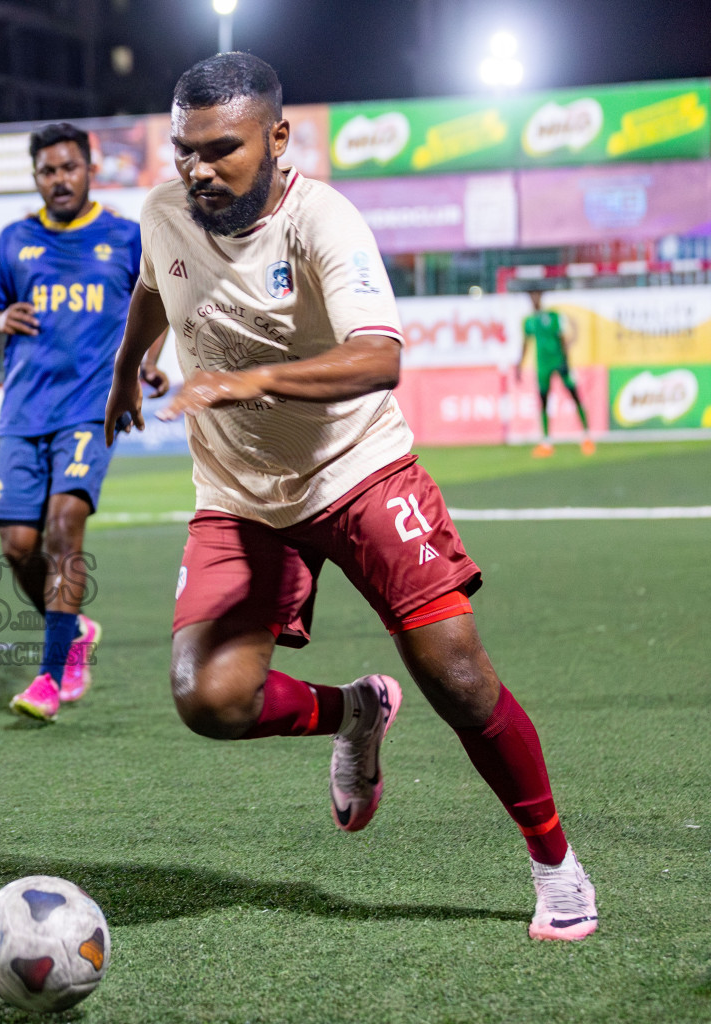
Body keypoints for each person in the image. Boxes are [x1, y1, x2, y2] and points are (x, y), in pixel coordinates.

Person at [104, 54, 596, 941]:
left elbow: (380, 359)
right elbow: (151, 283)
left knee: (457, 679)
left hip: (359, 472)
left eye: (221, 149)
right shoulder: (164, 211)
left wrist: (249, 383)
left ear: (278, 138)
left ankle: (556, 865)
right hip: (240, 495)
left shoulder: (324, 220)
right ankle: (355, 711)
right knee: (209, 698)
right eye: (184, 150)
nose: (198, 169)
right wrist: (126, 368)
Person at [0, 122, 153, 722]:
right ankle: (71, 630)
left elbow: (155, 308)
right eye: (48, 171)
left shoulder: (125, 237)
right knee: (18, 547)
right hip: (24, 412)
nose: (59, 179)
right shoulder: (13, 240)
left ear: (89, 168)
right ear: (36, 178)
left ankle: (49, 678)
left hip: (89, 408)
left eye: (69, 167)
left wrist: (144, 366)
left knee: (63, 525)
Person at [519, 289, 594, 458]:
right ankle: (546, 442)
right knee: (544, 402)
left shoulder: (553, 316)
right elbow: (525, 343)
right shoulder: (529, 321)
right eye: (532, 296)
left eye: (537, 295)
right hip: (542, 367)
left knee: (574, 395)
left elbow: (563, 338)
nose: (535, 299)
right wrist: (519, 365)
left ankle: (587, 436)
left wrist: (566, 361)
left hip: (559, 362)